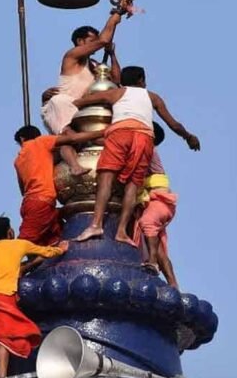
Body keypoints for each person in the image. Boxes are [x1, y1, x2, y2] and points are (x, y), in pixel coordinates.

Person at [73, 66, 200, 245]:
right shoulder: (152, 97)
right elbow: (174, 124)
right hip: (144, 138)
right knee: (133, 185)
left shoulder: (116, 93)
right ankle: (122, 231)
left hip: (120, 134)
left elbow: (81, 102)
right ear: (141, 80)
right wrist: (189, 137)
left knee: (106, 178)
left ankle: (96, 224)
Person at [0, 216, 69, 378]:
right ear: (9, 231)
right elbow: (46, 252)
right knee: (4, 339)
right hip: (4, 297)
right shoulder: (18, 245)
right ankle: (1, 377)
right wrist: (61, 249)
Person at [40, 0, 133, 175]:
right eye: (92, 41)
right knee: (67, 138)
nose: (96, 44)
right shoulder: (72, 57)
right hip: (64, 106)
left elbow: (116, 80)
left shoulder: (95, 66)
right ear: (80, 42)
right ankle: (75, 166)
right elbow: (104, 39)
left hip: (84, 113)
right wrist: (117, 14)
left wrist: (112, 55)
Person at [14, 124, 103, 247]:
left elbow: (23, 190)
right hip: (41, 202)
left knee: (53, 243)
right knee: (23, 244)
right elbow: (73, 139)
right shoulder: (40, 142)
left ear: (22, 139)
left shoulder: (18, 160)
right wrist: (102, 132)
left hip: (31, 203)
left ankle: (32, 264)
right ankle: (8, 262)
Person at [134, 124, 180, 288]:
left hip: (159, 200)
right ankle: (173, 284)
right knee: (159, 246)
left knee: (147, 223)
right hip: (154, 201)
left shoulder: (147, 149)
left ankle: (152, 263)